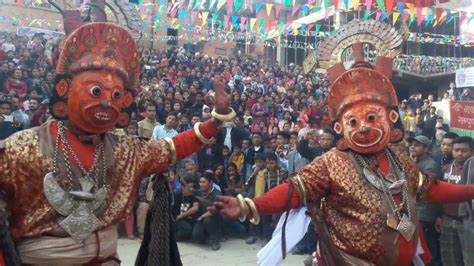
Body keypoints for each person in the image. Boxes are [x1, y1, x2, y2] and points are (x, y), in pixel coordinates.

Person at [210, 29, 474, 265]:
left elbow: (431, 189)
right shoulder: (331, 163)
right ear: (340, 130)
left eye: (372, 117)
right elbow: (293, 191)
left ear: (391, 119)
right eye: (353, 121)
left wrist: (470, 191)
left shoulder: (398, 159)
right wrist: (250, 206)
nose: (363, 127)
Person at [0, 21, 233, 266]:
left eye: (117, 96)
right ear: (65, 89)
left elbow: (171, 148)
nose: (107, 103)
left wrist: (216, 119)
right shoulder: (22, 147)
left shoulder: (126, 150)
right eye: (96, 91)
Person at [408, 135, 443, 266]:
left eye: (417, 145)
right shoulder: (414, 161)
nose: (412, 147)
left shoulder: (430, 165)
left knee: (428, 247)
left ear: (426, 149)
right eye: (412, 144)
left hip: (426, 213)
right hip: (415, 211)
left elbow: (424, 187)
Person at [439, 136, 474, 266]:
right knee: (449, 257)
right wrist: (439, 216)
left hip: (467, 221)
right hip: (448, 219)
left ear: (472, 151)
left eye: (464, 150)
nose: (459, 153)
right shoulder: (446, 168)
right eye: (456, 150)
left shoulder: (472, 169)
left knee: (469, 259)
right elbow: (440, 193)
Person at [192, 173, 222, 250]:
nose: (201, 184)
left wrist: (202, 217)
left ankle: (215, 240)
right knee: (196, 236)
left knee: (207, 221)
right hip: (200, 219)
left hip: (213, 218)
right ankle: (207, 236)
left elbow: (215, 210)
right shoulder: (198, 192)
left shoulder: (217, 193)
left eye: (204, 182)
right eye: (200, 182)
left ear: (211, 183)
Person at [173, 176, 199, 241]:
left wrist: (182, 215)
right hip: (176, 221)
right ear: (182, 187)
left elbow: (195, 208)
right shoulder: (176, 195)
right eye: (190, 187)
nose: (192, 189)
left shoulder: (193, 195)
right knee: (188, 229)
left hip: (187, 220)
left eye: (193, 187)